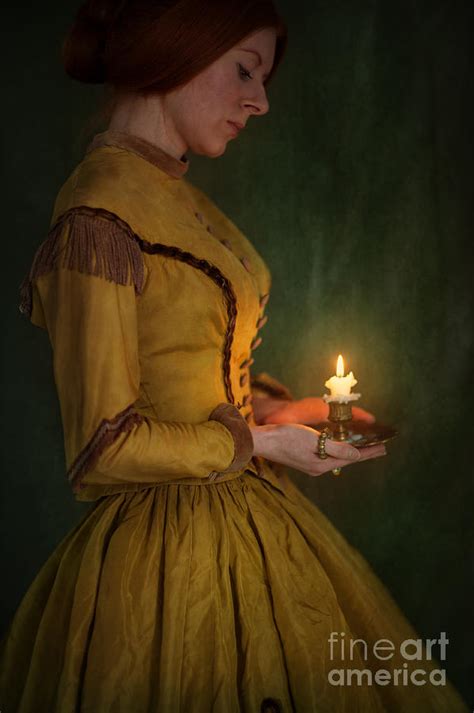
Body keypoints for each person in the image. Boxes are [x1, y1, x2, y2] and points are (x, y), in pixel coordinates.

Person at [0, 1, 469, 711]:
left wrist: (287, 410)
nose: (260, 101)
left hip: (254, 516)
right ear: (173, 48)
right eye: (244, 70)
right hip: (160, 561)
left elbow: (191, 375)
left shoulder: (177, 196)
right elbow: (101, 448)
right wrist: (263, 439)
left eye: (265, 77)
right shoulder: (99, 217)